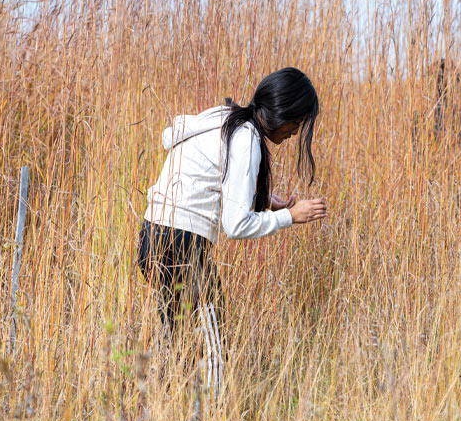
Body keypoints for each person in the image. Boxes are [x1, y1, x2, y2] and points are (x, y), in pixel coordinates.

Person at [137, 67, 327, 393]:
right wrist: (290, 217)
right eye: (297, 123)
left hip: (152, 236)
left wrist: (265, 201)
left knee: (179, 344)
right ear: (284, 112)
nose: (295, 133)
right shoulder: (247, 139)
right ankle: (214, 420)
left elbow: (209, 178)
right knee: (215, 347)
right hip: (182, 245)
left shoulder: (227, 118)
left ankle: (165, 414)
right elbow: (235, 225)